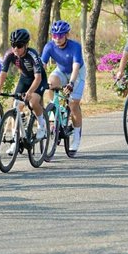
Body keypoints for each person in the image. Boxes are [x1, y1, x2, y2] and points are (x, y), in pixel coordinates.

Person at [0, 28, 48, 156]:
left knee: (33, 102)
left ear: (26, 45)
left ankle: (42, 125)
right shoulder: (10, 54)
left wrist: (29, 92)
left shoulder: (32, 55)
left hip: (38, 80)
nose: (15, 49)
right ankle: (15, 141)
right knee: (16, 106)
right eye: (13, 45)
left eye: (19, 46)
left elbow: (38, 78)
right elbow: (3, 73)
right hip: (24, 79)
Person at [41, 20, 85, 155]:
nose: (57, 39)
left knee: (73, 104)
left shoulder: (75, 46)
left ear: (67, 35)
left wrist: (71, 83)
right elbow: (42, 66)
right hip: (60, 70)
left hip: (76, 73)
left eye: (60, 36)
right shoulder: (49, 46)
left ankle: (76, 137)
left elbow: (76, 66)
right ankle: (54, 110)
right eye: (54, 35)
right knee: (50, 82)